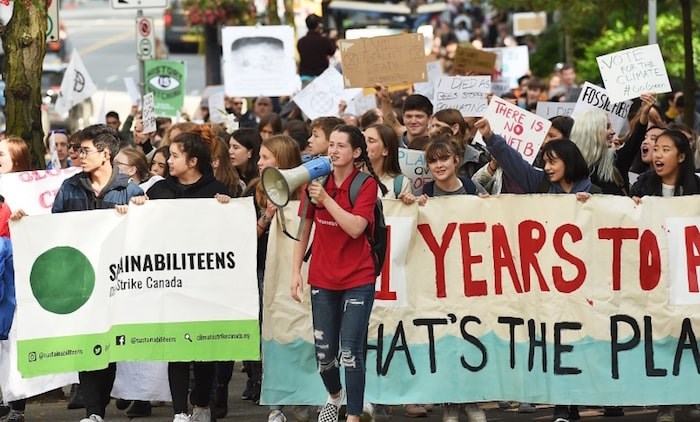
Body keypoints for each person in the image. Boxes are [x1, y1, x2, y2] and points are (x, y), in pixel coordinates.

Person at [14, 124, 144, 422]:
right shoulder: (71, 187)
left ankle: (101, 401)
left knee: (109, 348)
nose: (79, 156)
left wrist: (139, 210)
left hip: (117, 284)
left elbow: (142, 236)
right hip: (81, 281)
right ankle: (94, 412)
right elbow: (54, 230)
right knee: (87, 344)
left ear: (106, 153)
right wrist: (26, 223)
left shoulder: (130, 190)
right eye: (77, 150)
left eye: (85, 150)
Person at [291, 125, 379, 422]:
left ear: (356, 153)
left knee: (352, 351)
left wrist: (326, 200)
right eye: (331, 144)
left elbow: (356, 228)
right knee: (324, 356)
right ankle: (334, 395)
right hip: (323, 278)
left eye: (341, 146)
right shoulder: (315, 182)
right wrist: (295, 272)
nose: (333, 150)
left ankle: (353, 415)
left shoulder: (365, 185)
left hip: (358, 278)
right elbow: (304, 231)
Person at [145, 126, 232, 422]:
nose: (169, 161)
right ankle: (180, 411)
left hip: (206, 285)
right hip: (171, 283)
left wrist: (226, 209)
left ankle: (201, 402)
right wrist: (139, 209)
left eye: (174, 155)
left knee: (204, 348)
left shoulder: (216, 191)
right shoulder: (158, 192)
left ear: (193, 161)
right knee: (177, 348)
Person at [254, 135, 303, 422]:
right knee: (276, 330)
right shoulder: (257, 192)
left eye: (265, 158)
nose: (259, 163)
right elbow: (247, 239)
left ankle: (306, 393)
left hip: (304, 273)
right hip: (270, 273)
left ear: (282, 162)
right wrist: (266, 217)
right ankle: (278, 404)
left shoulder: (309, 190)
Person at [0, 137, 31, 422]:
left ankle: (17, 404)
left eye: (1, 156)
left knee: (13, 342)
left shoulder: (27, 193)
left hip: (13, 279)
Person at [364, 124, 411, 199]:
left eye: (371, 141)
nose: (363, 144)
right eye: (362, 139)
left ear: (385, 150)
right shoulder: (350, 176)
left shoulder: (400, 183)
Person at [297, 13, 337, 85]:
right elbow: (332, 51)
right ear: (319, 25)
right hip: (321, 77)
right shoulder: (323, 40)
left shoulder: (301, 42)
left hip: (305, 77)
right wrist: (332, 39)